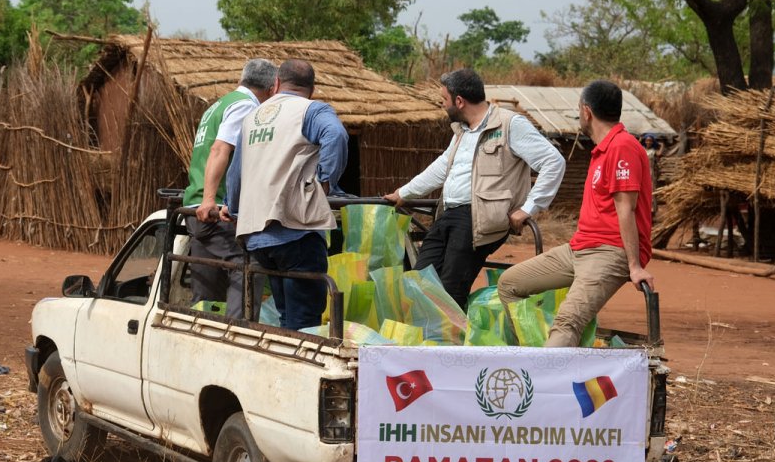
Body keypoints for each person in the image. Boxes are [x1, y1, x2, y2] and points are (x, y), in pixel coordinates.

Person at [383, 68, 565, 310]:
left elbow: (553, 162)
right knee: (419, 280)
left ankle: (452, 334)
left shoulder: (509, 124)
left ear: (459, 101)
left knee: (451, 289)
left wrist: (528, 208)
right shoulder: (461, 131)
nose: (442, 104)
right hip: (448, 213)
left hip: (479, 218)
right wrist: (404, 193)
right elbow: (442, 167)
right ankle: (426, 332)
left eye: (444, 99)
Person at [497, 80, 655, 347]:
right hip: (579, 248)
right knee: (508, 284)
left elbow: (626, 209)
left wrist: (634, 266)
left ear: (586, 111)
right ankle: (529, 357)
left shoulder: (622, 146)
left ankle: (545, 371)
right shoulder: (602, 149)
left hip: (609, 251)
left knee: (568, 321)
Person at [221, 59, 348, 331]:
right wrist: (324, 184)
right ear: (312, 89)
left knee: (286, 318)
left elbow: (236, 171)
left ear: (277, 83)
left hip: (258, 239)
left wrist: (232, 207)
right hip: (296, 233)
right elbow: (336, 135)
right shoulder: (312, 110)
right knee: (304, 324)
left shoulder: (253, 117)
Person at [184, 58, 277, 318]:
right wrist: (209, 199)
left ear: (241, 79)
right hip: (216, 209)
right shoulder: (246, 106)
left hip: (195, 207)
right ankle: (238, 330)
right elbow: (219, 149)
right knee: (249, 264)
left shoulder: (219, 105)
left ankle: (202, 326)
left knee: (207, 279)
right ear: (273, 88)